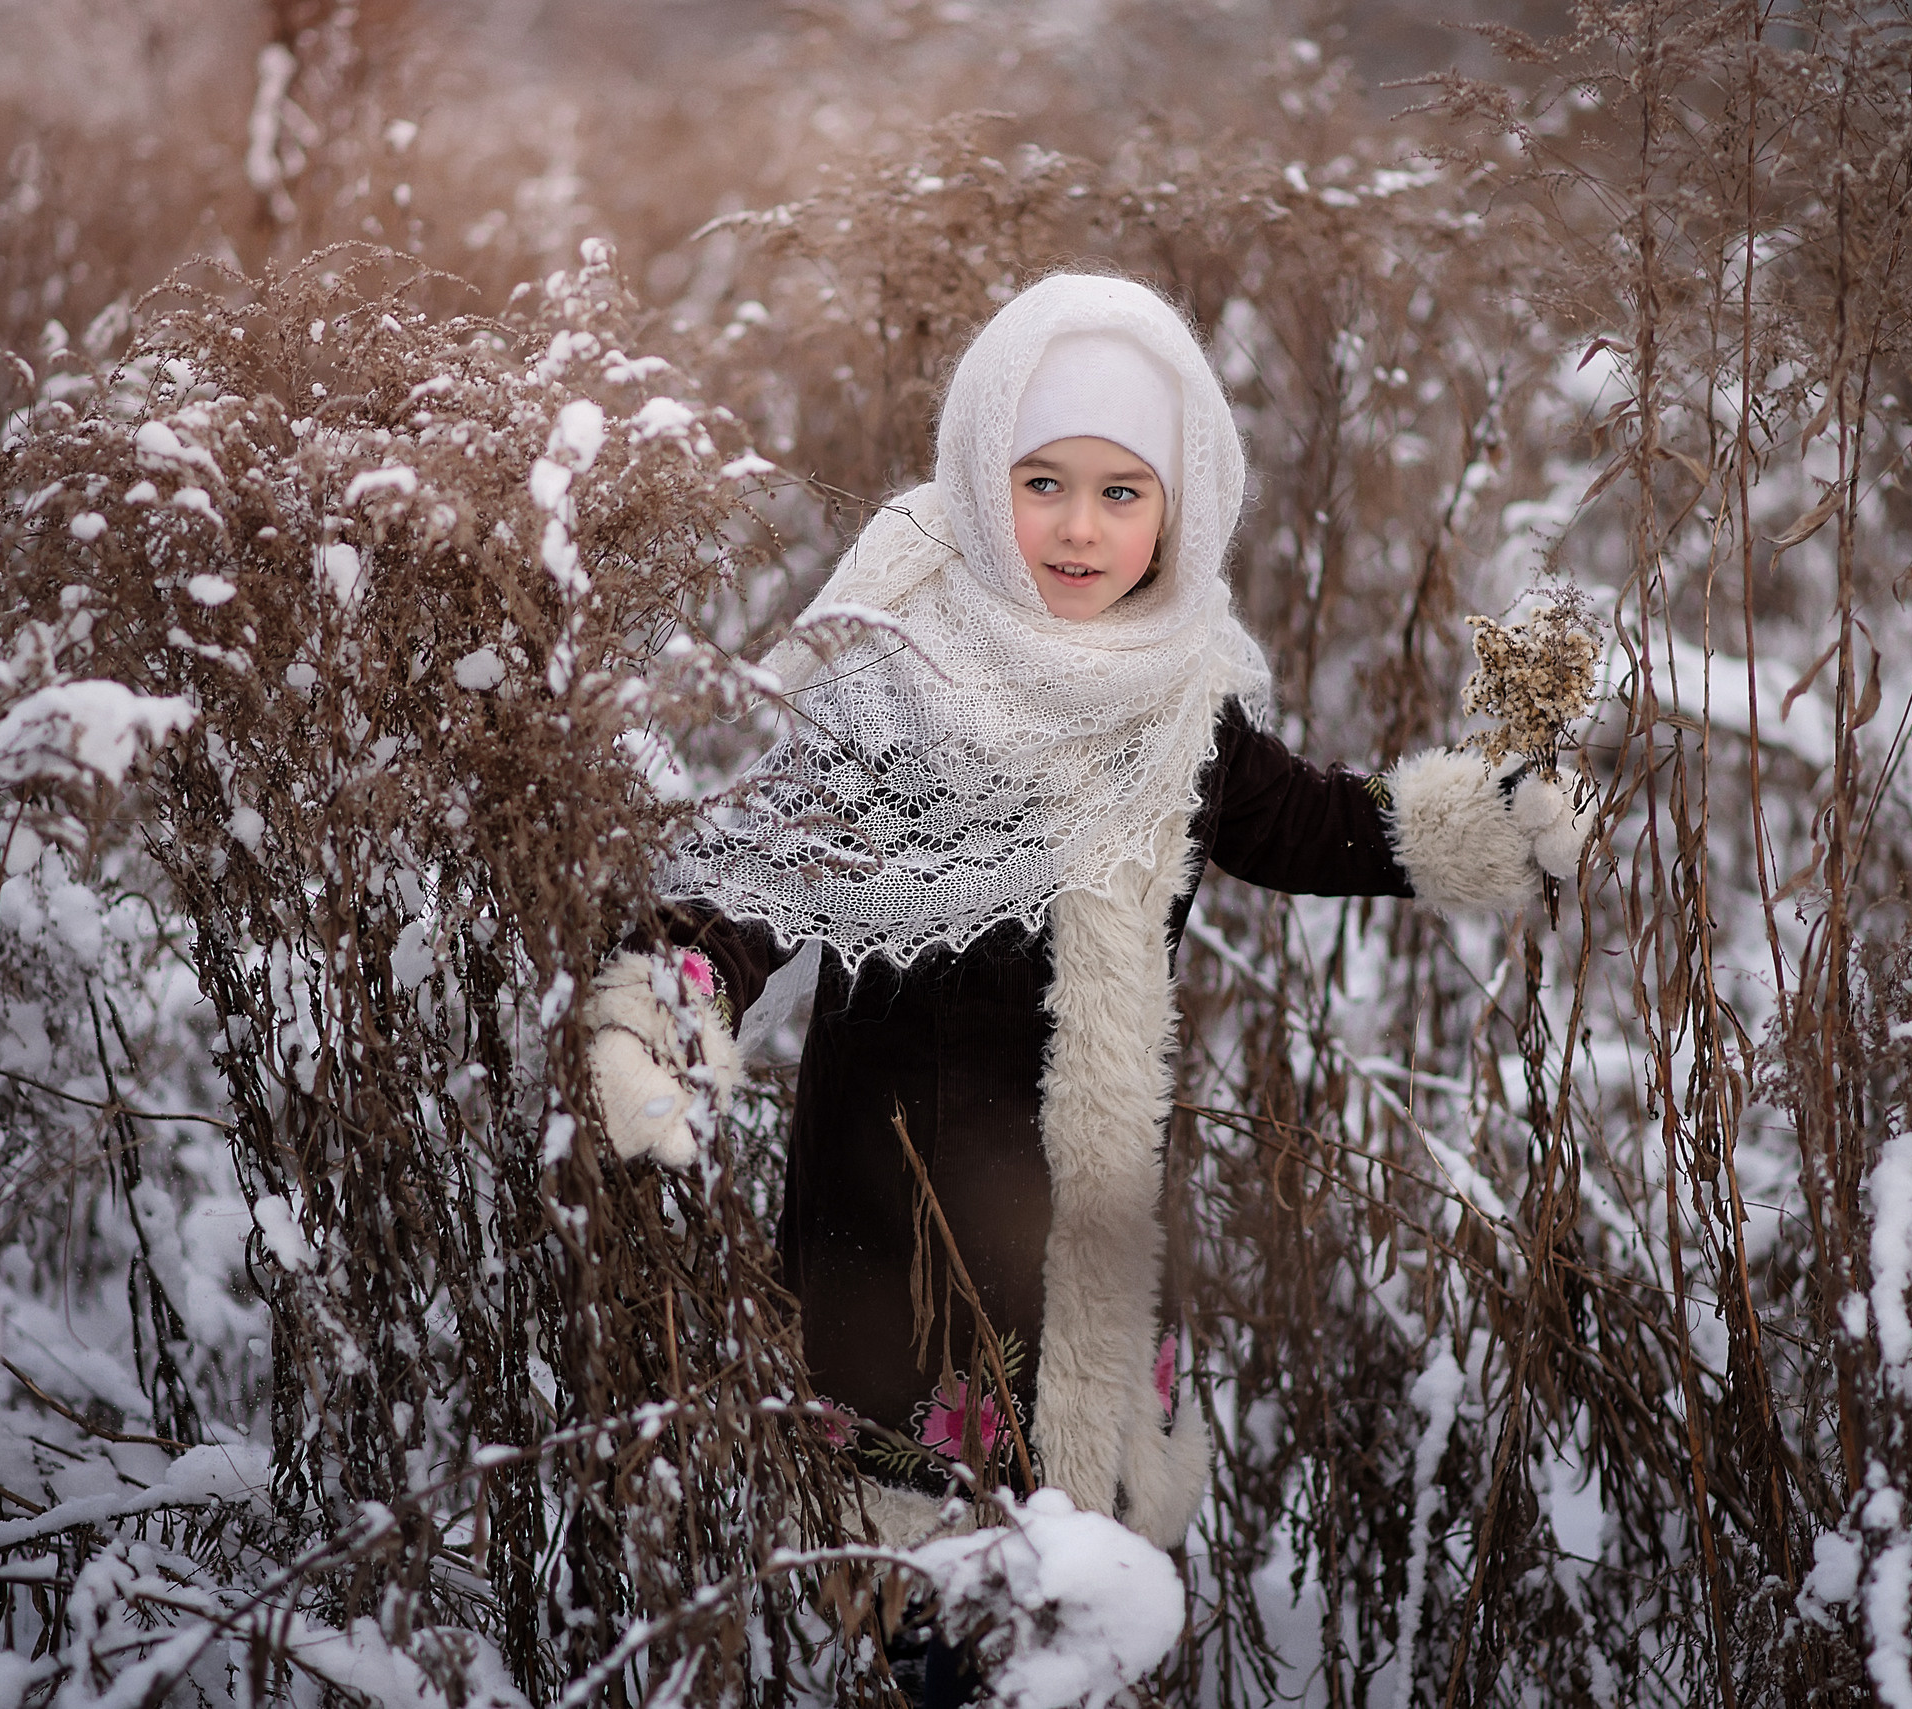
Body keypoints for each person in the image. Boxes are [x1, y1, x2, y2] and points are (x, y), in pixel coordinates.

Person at [582, 273, 1586, 1560]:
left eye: (1122, 491)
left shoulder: (1176, 693)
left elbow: (1297, 820)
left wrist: (1485, 826)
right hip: (905, 1234)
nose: (1076, 527)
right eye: (1039, 479)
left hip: (1091, 1240)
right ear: (978, 469)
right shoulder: (901, 674)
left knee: (1081, 1593)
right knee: (931, 1593)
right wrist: (668, 1001)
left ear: (1177, 511)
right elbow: (750, 873)